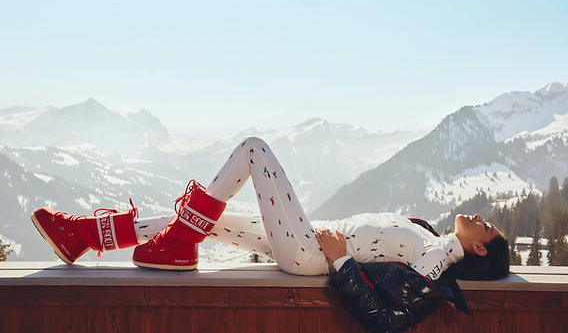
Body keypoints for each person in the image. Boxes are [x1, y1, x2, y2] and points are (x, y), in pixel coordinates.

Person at [32, 136, 509, 332]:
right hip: (303, 240)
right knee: (201, 218)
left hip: (309, 254)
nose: (479, 216)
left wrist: (342, 261)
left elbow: (387, 319)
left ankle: (167, 245)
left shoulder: (438, 258)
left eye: (486, 226)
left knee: (255, 150)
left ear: (479, 247)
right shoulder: (428, 234)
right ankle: (84, 237)